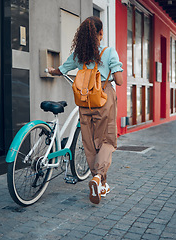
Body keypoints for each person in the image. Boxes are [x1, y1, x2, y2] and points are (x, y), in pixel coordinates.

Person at [48, 16, 123, 204]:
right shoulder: (108, 52)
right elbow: (120, 80)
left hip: (84, 101)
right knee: (107, 140)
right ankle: (97, 178)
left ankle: (100, 182)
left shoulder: (78, 54)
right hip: (104, 99)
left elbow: (61, 70)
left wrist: (51, 70)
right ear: (101, 32)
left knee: (89, 143)